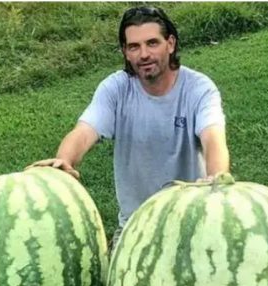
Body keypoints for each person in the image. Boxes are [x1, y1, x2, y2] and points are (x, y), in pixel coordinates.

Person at [29, 5, 230, 248]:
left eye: (152, 43)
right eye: (134, 46)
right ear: (125, 52)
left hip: (191, 223)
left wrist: (215, 179)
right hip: (134, 228)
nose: (143, 54)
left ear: (171, 43)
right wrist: (64, 161)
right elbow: (84, 132)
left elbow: (213, 138)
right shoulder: (116, 89)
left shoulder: (199, 88)